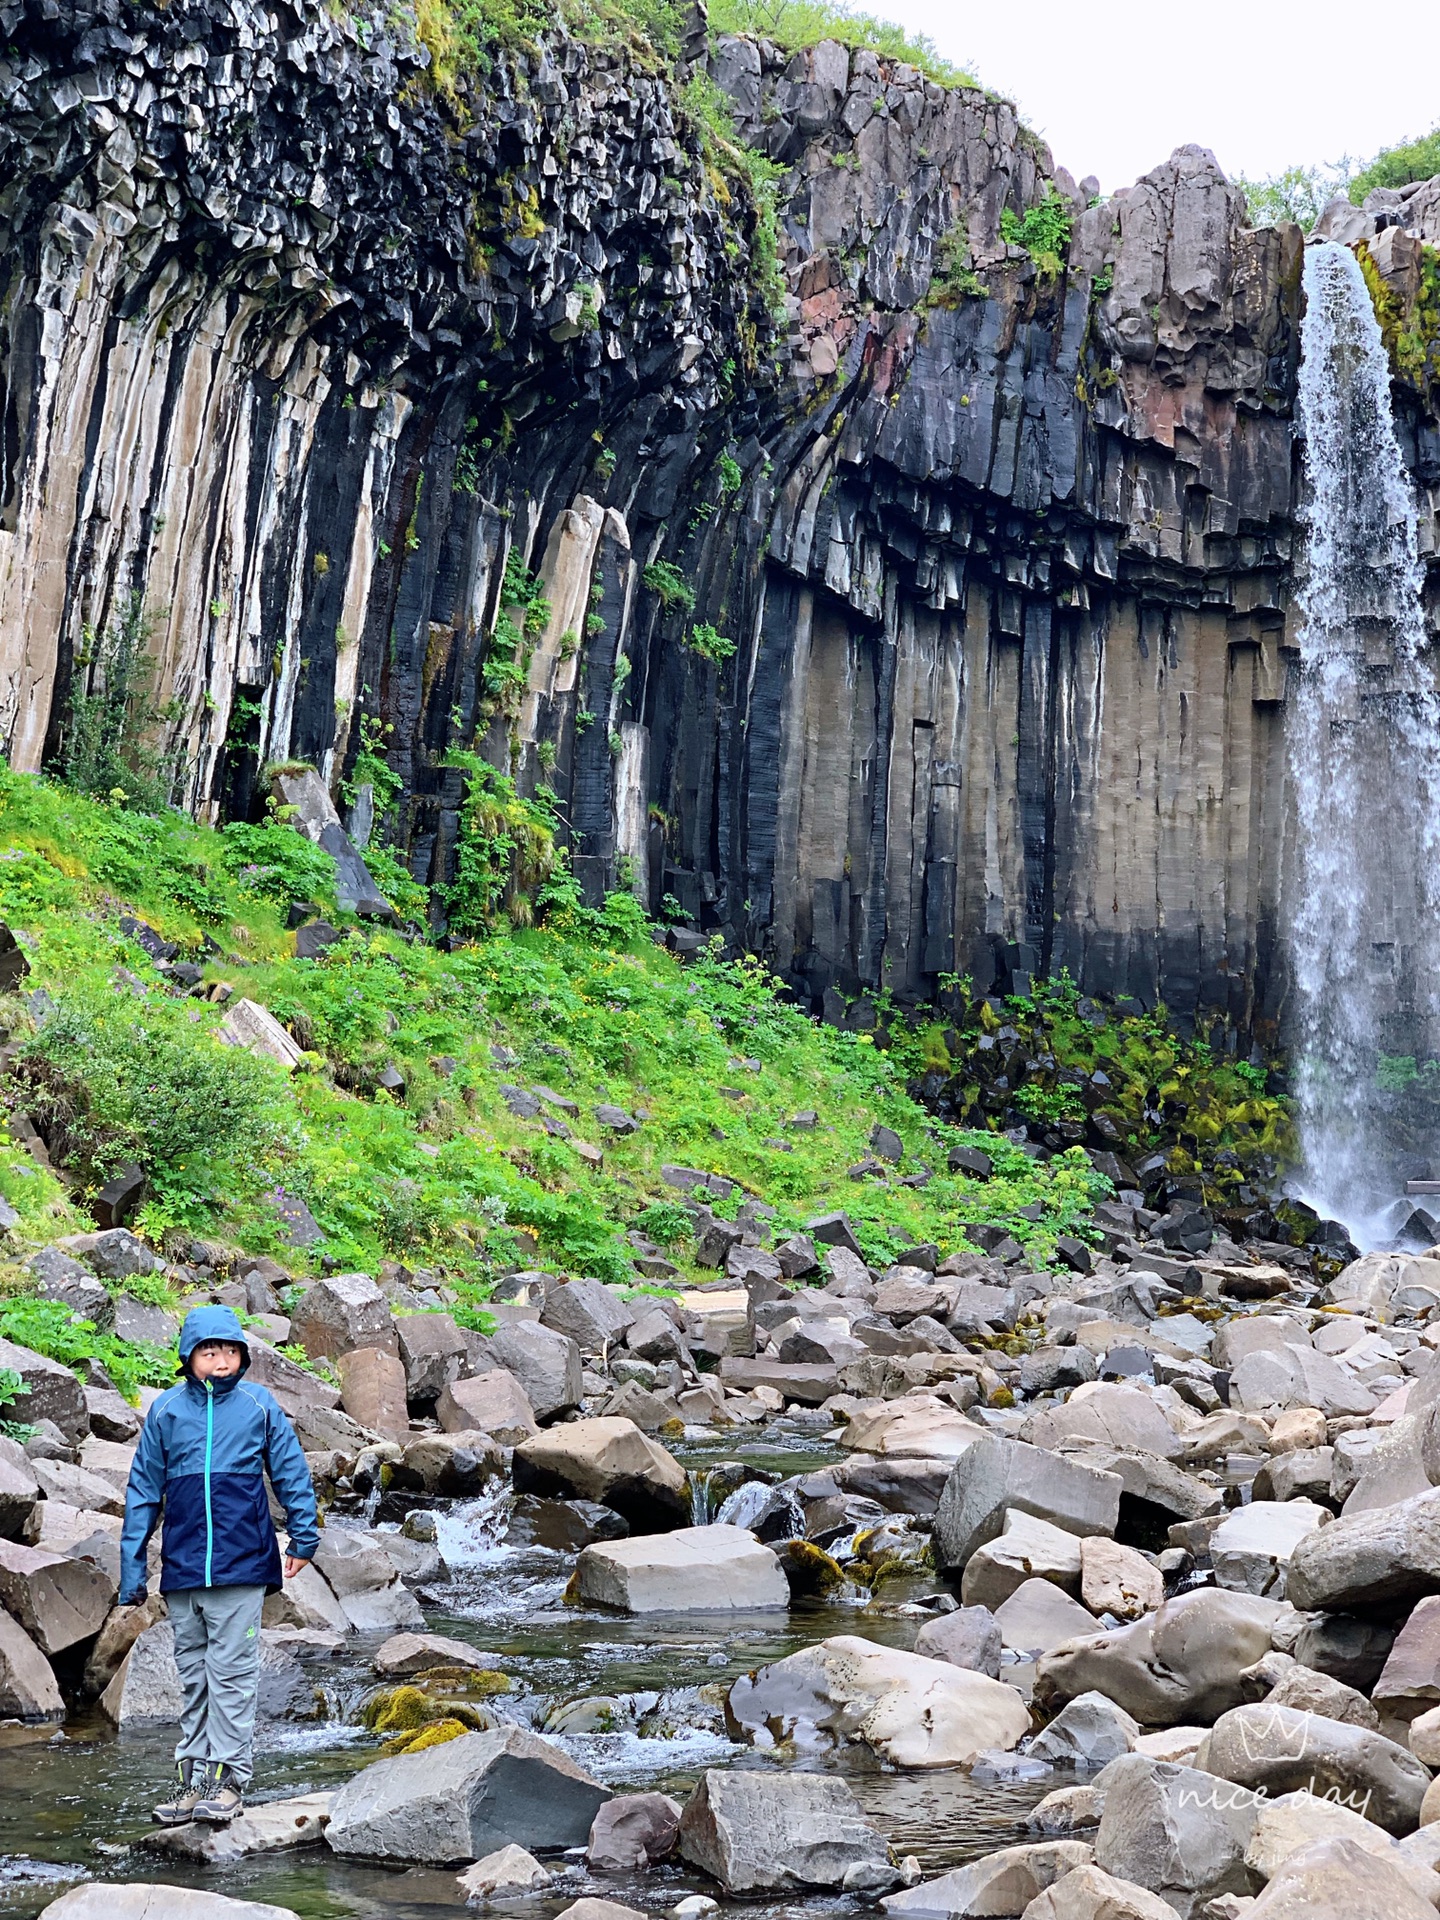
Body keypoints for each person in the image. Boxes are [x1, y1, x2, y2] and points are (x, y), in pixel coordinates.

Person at [119, 1302, 319, 1826]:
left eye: (230, 1350)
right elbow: (143, 1491)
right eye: (209, 1351)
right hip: (184, 1569)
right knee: (194, 1675)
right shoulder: (166, 1411)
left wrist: (304, 1536)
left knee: (231, 1673)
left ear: (242, 1356)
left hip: (241, 1563)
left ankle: (228, 1779)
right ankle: (191, 1781)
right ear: (189, 1357)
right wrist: (132, 1569)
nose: (221, 1360)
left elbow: (290, 1471)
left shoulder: (258, 1405)